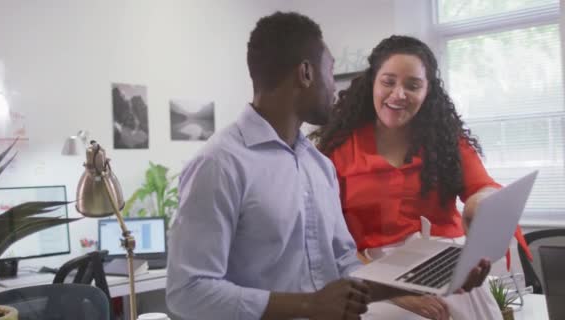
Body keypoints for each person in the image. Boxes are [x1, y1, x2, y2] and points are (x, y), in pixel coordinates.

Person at [167, 14, 490, 320]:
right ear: (306, 73)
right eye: (329, 71)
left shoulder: (318, 165)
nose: (335, 87)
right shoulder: (219, 164)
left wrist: (434, 280)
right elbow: (188, 292)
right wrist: (309, 304)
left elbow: (343, 267)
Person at [310, 35, 525, 320]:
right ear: (372, 82)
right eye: (388, 82)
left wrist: (483, 202)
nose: (399, 94)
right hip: (370, 279)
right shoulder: (336, 150)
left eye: (413, 85)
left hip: (449, 270)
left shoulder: (446, 141)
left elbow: (481, 187)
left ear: (428, 91)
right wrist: (398, 294)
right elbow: (331, 240)